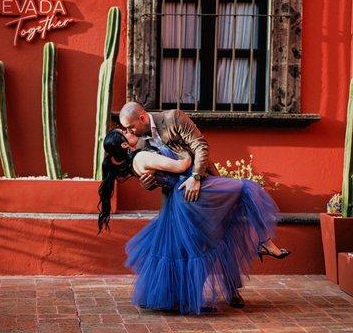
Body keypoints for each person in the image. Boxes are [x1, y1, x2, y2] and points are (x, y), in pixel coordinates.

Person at [97, 128, 290, 314]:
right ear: (124, 145)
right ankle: (263, 243)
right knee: (245, 188)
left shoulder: (139, 155)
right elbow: (180, 166)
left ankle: (191, 296)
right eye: (126, 132)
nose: (130, 131)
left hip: (182, 199)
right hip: (189, 196)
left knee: (196, 248)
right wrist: (184, 150)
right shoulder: (142, 157)